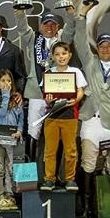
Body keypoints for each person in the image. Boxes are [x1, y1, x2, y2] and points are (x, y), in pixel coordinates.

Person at [74, 3, 110, 218]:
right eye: (101, 46)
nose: (105, 49)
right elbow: (80, 42)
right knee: (87, 164)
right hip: (90, 122)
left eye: (109, 46)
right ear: (97, 48)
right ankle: (86, 208)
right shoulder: (90, 63)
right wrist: (82, 16)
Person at [14, 3, 76, 162]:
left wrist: (70, 11)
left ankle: (56, 178)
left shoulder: (63, 40)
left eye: (53, 24)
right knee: (33, 132)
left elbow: (71, 27)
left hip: (59, 93)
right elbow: (22, 27)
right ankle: (28, 179)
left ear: (57, 27)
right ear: (40, 26)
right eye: (46, 23)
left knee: (60, 133)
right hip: (36, 93)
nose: (49, 27)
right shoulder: (34, 38)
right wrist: (20, 9)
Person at [40, 42, 87, 192]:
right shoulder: (49, 73)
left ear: (69, 55)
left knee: (71, 150)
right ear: (53, 57)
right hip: (52, 116)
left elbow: (80, 91)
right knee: (50, 151)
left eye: (64, 53)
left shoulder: (76, 72)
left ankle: (70, 179)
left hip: (70, 116)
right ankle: (49, 180)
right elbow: (46, 94)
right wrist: (47, 99)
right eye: (57, 54)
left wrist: (77, 99)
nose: (61, 57)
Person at [0, 69, 24, 210]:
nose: (6, 83)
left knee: (10, 168)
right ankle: (0, 197)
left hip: (11, 138)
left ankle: (10, 195)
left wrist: (19, 130)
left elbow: (20, 118)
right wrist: (5, 95)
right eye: (3, 80)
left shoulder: (16, 99)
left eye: (9, 81)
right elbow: (1, 113)